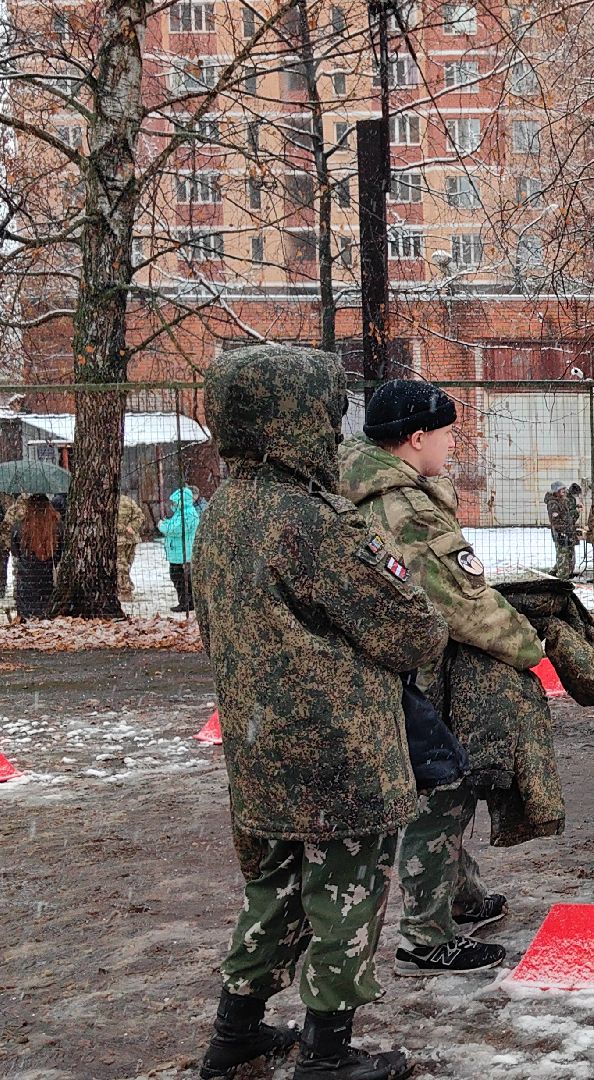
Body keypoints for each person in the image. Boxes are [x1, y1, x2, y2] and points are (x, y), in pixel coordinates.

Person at [192, 343, 447, 1080]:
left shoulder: (225, 511)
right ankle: (328, 1056)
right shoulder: (307, 520)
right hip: (336, 751)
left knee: (272, 894)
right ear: (297, 417)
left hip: (260, 748)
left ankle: (235, 1034)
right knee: (345, 897)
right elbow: (411, 628)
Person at [340, 379, 545, 978]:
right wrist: (529, 647)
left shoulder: (365, 487)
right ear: (417, 436)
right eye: (448, 432)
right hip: (411, 673)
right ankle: (425, 938)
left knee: (442, 778)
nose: (452, 444)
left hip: (385, 668)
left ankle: (460, 897)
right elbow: (464, 602)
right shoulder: (404, 507)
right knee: (445, 787)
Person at [9, 493, 61, 620]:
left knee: (28, 617)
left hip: (26, 580)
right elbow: (59, 554)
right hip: (46, 579)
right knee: (45, 615)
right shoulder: (57, 527)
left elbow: (15, 553)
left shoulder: (19, 527)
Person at [156, 485, 201, 613]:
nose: (173, 504)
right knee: (178, 578)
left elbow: (173, 529)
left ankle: (187, 603)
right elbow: (171, 525)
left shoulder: (189, 514)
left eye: (176, 501)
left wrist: (161, 525)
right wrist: (166, 525)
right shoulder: (180, 513)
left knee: (181, 579)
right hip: (178, 552)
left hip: (184, 553)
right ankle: (185, 602)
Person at [543, 482, 578, 579]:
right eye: (561, 489)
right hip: (561, 533)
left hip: (568, 531)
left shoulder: (563, 500)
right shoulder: (553, 503)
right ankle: (562, 576)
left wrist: (575, 512)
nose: (564, 491)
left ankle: (565, 572)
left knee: (570, 554)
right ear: (556, 491)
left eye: (564, 489)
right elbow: (556, 521)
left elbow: (566, 516)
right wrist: (564, 531)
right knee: (563, 555)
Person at [116, 492, 146, 601]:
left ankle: (124, 589)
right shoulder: (127, 500)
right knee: (123, 565)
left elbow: (140, 516)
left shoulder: (125, 501)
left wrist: (130, 527)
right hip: (125, 540)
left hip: (124, 540)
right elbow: (140, 516)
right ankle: (124, 588)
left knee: (123, 565)